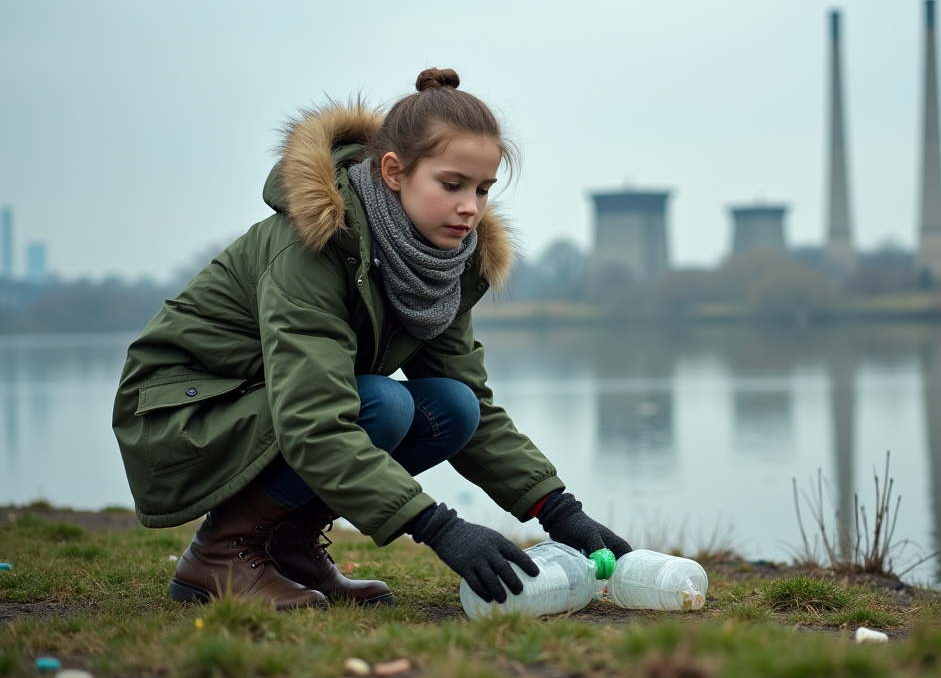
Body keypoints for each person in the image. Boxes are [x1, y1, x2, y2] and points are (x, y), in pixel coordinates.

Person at [112, 68, 631, 609]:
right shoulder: (312, 246)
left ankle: (288, 544)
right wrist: (437, 526)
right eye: (451, 185)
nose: (470, 208)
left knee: (451, 408)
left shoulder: (437, 263)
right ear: (392, 171)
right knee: (379, 404)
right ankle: (220, 553)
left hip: (265, 406)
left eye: (482, 189)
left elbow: (469, 398)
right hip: (182, 414)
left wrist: (557, 509)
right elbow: (314, 419)